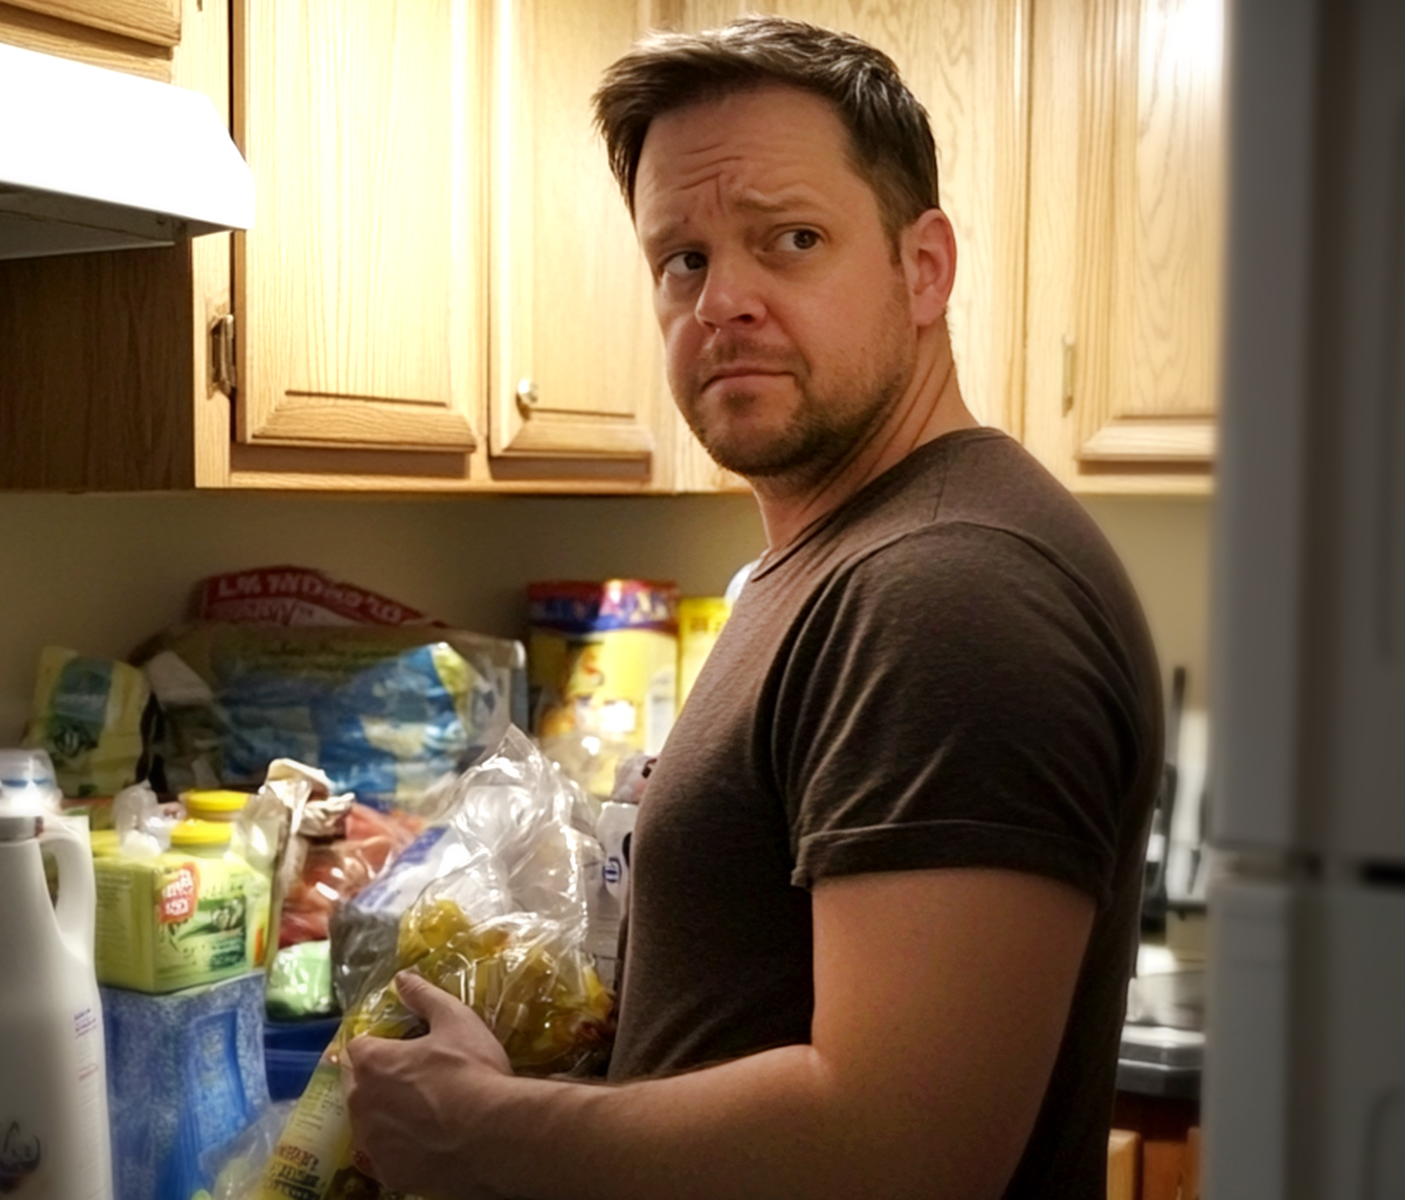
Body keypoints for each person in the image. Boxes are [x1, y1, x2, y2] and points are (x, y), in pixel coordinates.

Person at [343, 17, 1163, 1199]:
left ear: (922, 267)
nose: (723, 299)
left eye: (791, 239)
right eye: (682, 259)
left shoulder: (947, 592)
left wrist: (491, 1132)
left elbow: (905, 1147)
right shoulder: (840, 561)